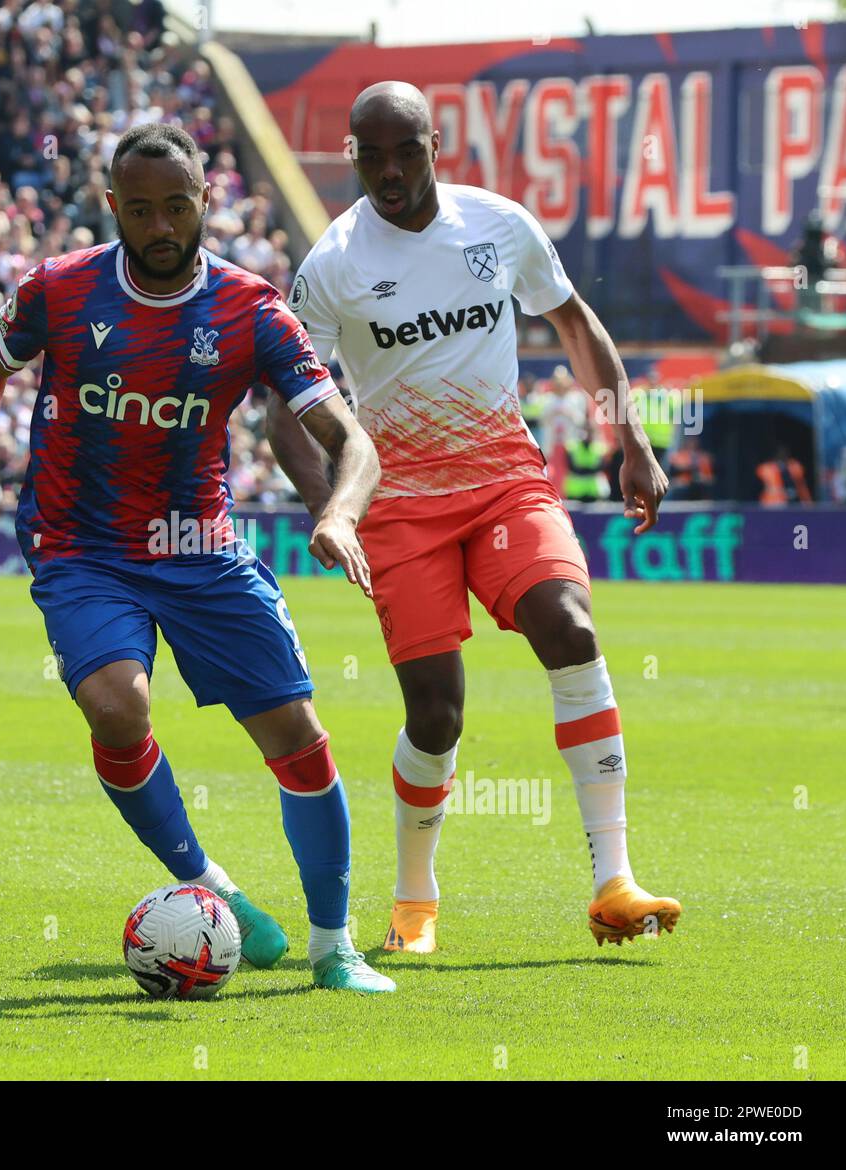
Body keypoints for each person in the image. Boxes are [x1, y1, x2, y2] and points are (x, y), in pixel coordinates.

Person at [0, 124, 394, 994]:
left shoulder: (251, 310)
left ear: (205, 201)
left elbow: (351, 440)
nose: (161, 225)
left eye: (177, 205)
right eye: (140, 210)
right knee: (117, 709)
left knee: (295, 736)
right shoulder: (59, 292)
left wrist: (340, 513)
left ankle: (336, 948)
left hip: (201, 547)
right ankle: (214, 890)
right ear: (114, 209)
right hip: (82, 547)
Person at [268, 81, 682, 954]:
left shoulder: (497, 223)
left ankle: (614, 880)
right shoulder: (332, 264)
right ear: (352, 154)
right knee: (437, 712)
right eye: (369, 153)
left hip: (504, 482)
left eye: (404, 150)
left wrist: (630, 439)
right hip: (400, 506)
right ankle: (415, 896)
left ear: (434, 145)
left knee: (569, 630)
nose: (387, 170)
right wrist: (331, 510)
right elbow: (287, 408)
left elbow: (574, 324)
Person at [667, 435, 715, 501]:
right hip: (681, 489)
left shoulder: (704, 457)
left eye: (694, 440)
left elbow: (710, 479)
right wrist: (688, 468)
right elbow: (672, 473)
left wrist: (699, 477)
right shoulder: (678, 456)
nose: (692, 443)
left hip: (699, 489)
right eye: (690, 440)